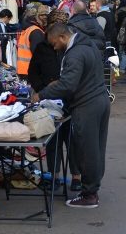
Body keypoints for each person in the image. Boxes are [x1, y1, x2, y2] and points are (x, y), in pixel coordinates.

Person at [31, 23, 110, 208]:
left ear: (62, 37)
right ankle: (92, 189)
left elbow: (68, 85)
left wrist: (41, 94)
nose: (54, 48)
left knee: (87, 150)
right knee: (96, 148)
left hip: (87, 105)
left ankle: (89, 194)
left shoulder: (74, 54)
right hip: (99, 100)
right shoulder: (88, 46)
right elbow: (78, 78)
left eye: (54, 43)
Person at [28, 10, 81, 192]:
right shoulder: (43, 48)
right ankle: (54, 176)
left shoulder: (73, 48)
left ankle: (76, 176)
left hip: (69, 100)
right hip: (49, 100)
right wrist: (43, 87)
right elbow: (32, 72)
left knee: (72, 140)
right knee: (52, 140)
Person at [17, 5, 50, 78]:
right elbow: (39, 55)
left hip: (24, 70)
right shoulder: (36, 32)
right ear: (36, 16)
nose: (46, 17)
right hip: (32, 72)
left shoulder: (28, 29)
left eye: (46, 15)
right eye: (43, 15)